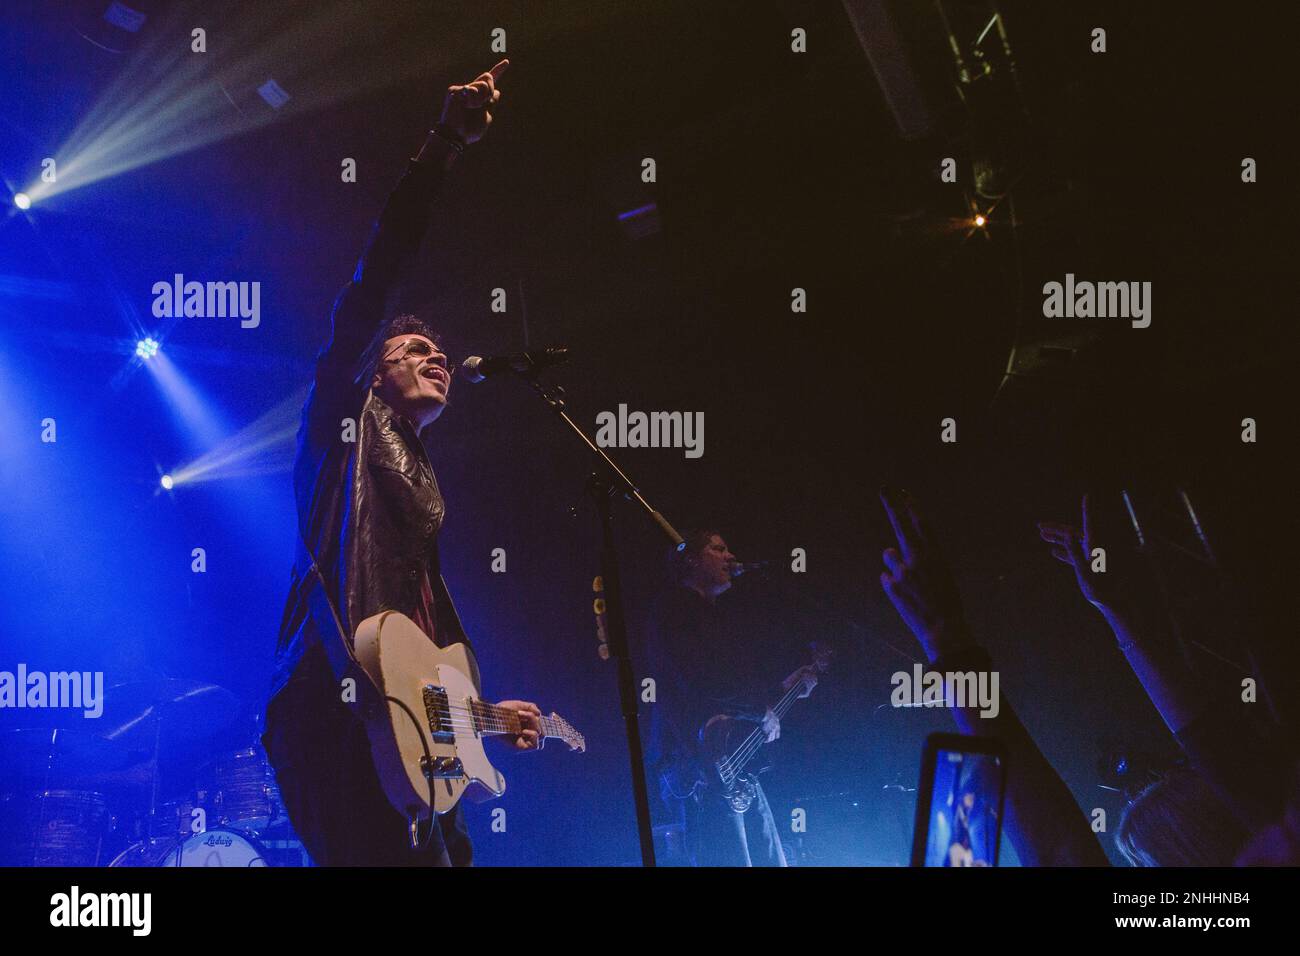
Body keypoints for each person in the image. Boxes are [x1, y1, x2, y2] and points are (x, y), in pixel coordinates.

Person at [261, 60, 542, 867]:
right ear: (370, 371)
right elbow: (368, 283)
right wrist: (441, 148)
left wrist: (487, 717)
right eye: (415, 347)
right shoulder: (339, 421)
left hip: (400, 735)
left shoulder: (419, 478)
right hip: (329, 705)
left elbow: (414, 662)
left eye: (443, 351)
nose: (438, 356)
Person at [645, 529, 819, 866]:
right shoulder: (675, 607)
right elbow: (698, 677)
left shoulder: (714, 615)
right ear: (691, 559)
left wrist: (784, 690)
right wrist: (758, 709)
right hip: (697, 762)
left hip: (735, 763)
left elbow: (728, 688)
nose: (730, 557)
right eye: (718, 549)